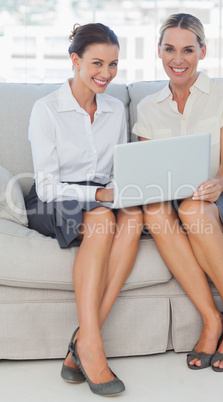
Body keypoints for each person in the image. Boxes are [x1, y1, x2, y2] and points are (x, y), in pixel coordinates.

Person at [25, 22, 143, 396]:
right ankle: (91, 347)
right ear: (75, 60)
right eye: (96, 63)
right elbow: (46, 186)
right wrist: (104, 198)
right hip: (53, 198)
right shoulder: (47, 110)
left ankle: (83, 339)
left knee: (135, 217)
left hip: (100, 196)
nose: (105, 74)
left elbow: (114, 172)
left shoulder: (114, 110)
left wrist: (121, 191)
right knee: (101, 218)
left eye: (113, 64)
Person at [132, 13, 223, 372]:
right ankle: (211, 320)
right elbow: (150, 170)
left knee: (192, 210)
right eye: (169, 49)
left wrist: (217, 183)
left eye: (187, 49)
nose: (177, 59)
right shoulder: (148, 107)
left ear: (202, 51)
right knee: (156, 212)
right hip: (173, 199)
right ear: (159, 51)